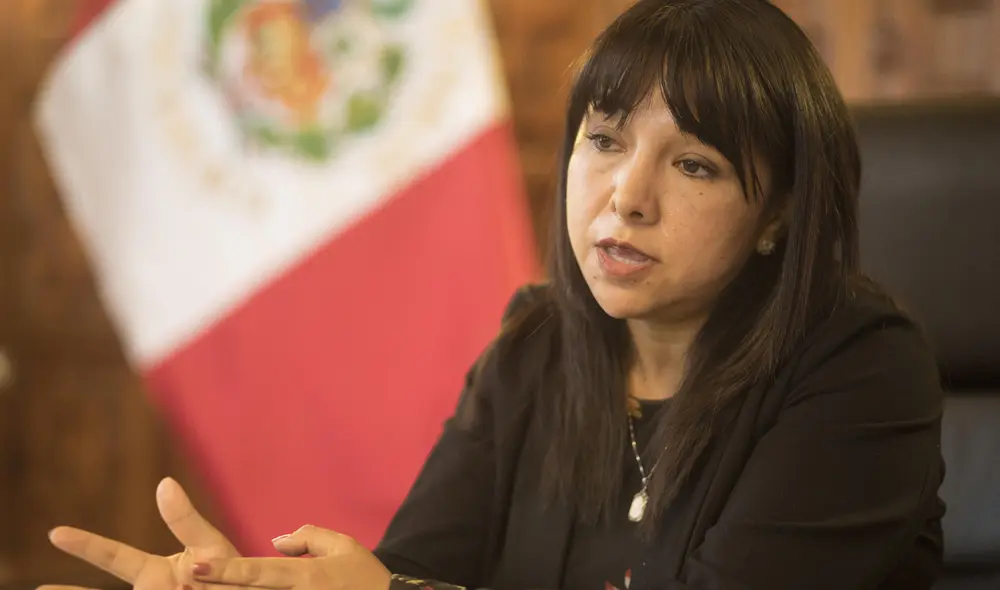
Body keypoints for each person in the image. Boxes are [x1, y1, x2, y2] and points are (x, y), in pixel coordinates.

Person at [41, 1, 946, 589]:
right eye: (604, 141)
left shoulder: (862, 369)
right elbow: (417, 571)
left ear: (778, 217)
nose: (627, 195)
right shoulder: (537, 345)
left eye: (694, 164)